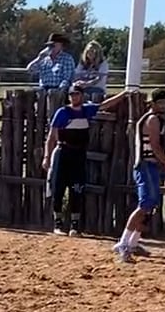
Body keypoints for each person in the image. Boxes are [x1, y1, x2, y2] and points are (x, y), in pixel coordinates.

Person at [42, 80, 133, 237]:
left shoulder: (86, 110)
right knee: (58, 188)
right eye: (72, 94)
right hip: (64, 153)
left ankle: (75, 226)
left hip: (79, 155)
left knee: (77, 188)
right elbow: (51, 136)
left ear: (82, 96)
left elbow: (104, 105)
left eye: (77, 94)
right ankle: (57, 224)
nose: (74, 97)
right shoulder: (63, 112)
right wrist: (47, 156)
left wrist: (123, 94)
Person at [114, 87, 165, 264]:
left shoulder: (153, 119)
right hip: (146, 164)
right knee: (145, 203)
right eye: (160, 102)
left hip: (150, 165)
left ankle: (132, 242)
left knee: (149, 205)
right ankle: (124, 243)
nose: (163, 106)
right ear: (152, 103)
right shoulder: (153, 119)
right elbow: (154, 145)